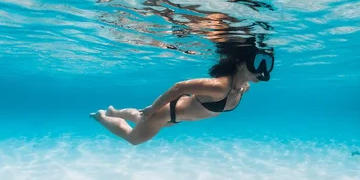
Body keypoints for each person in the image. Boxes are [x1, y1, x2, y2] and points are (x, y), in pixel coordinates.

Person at [90, 47, 274, 145]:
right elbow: (180, 87)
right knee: (134, 139)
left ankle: (115, 111)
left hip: (176, 116)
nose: (263, 70)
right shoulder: (220, 87)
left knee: (141, 117)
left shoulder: (244, 88)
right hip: (166, 113)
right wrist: (153, 108)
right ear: (242, 64)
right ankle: (102, 117)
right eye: (258, 63)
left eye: (267, 64)